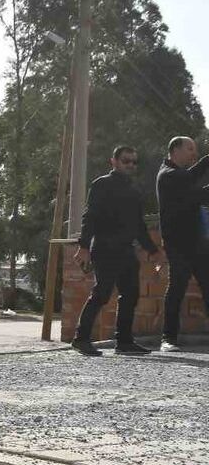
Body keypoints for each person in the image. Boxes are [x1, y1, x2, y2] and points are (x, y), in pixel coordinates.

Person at [73, 146, 159, 356]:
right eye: (125, 160)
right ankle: (81, 339)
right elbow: (89, 217)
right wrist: (83, 246)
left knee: (131, 294)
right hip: (104, 248)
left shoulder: (134, 190)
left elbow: (139, 225)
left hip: (126, 250)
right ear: (114, 161)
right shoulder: (102, 184)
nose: (129, 165)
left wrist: (153, 250)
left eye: (133, 162)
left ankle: (124, 341)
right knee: (102, 293)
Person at [157, 136, 209, 352]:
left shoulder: (180, 175)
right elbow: (195, 192)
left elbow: (191, 179)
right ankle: (168, 339)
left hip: (196, 242)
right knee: (177, 288)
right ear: (175, 149)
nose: (193, 153)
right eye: (190, 149)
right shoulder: (167, 175)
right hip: (178, 244)